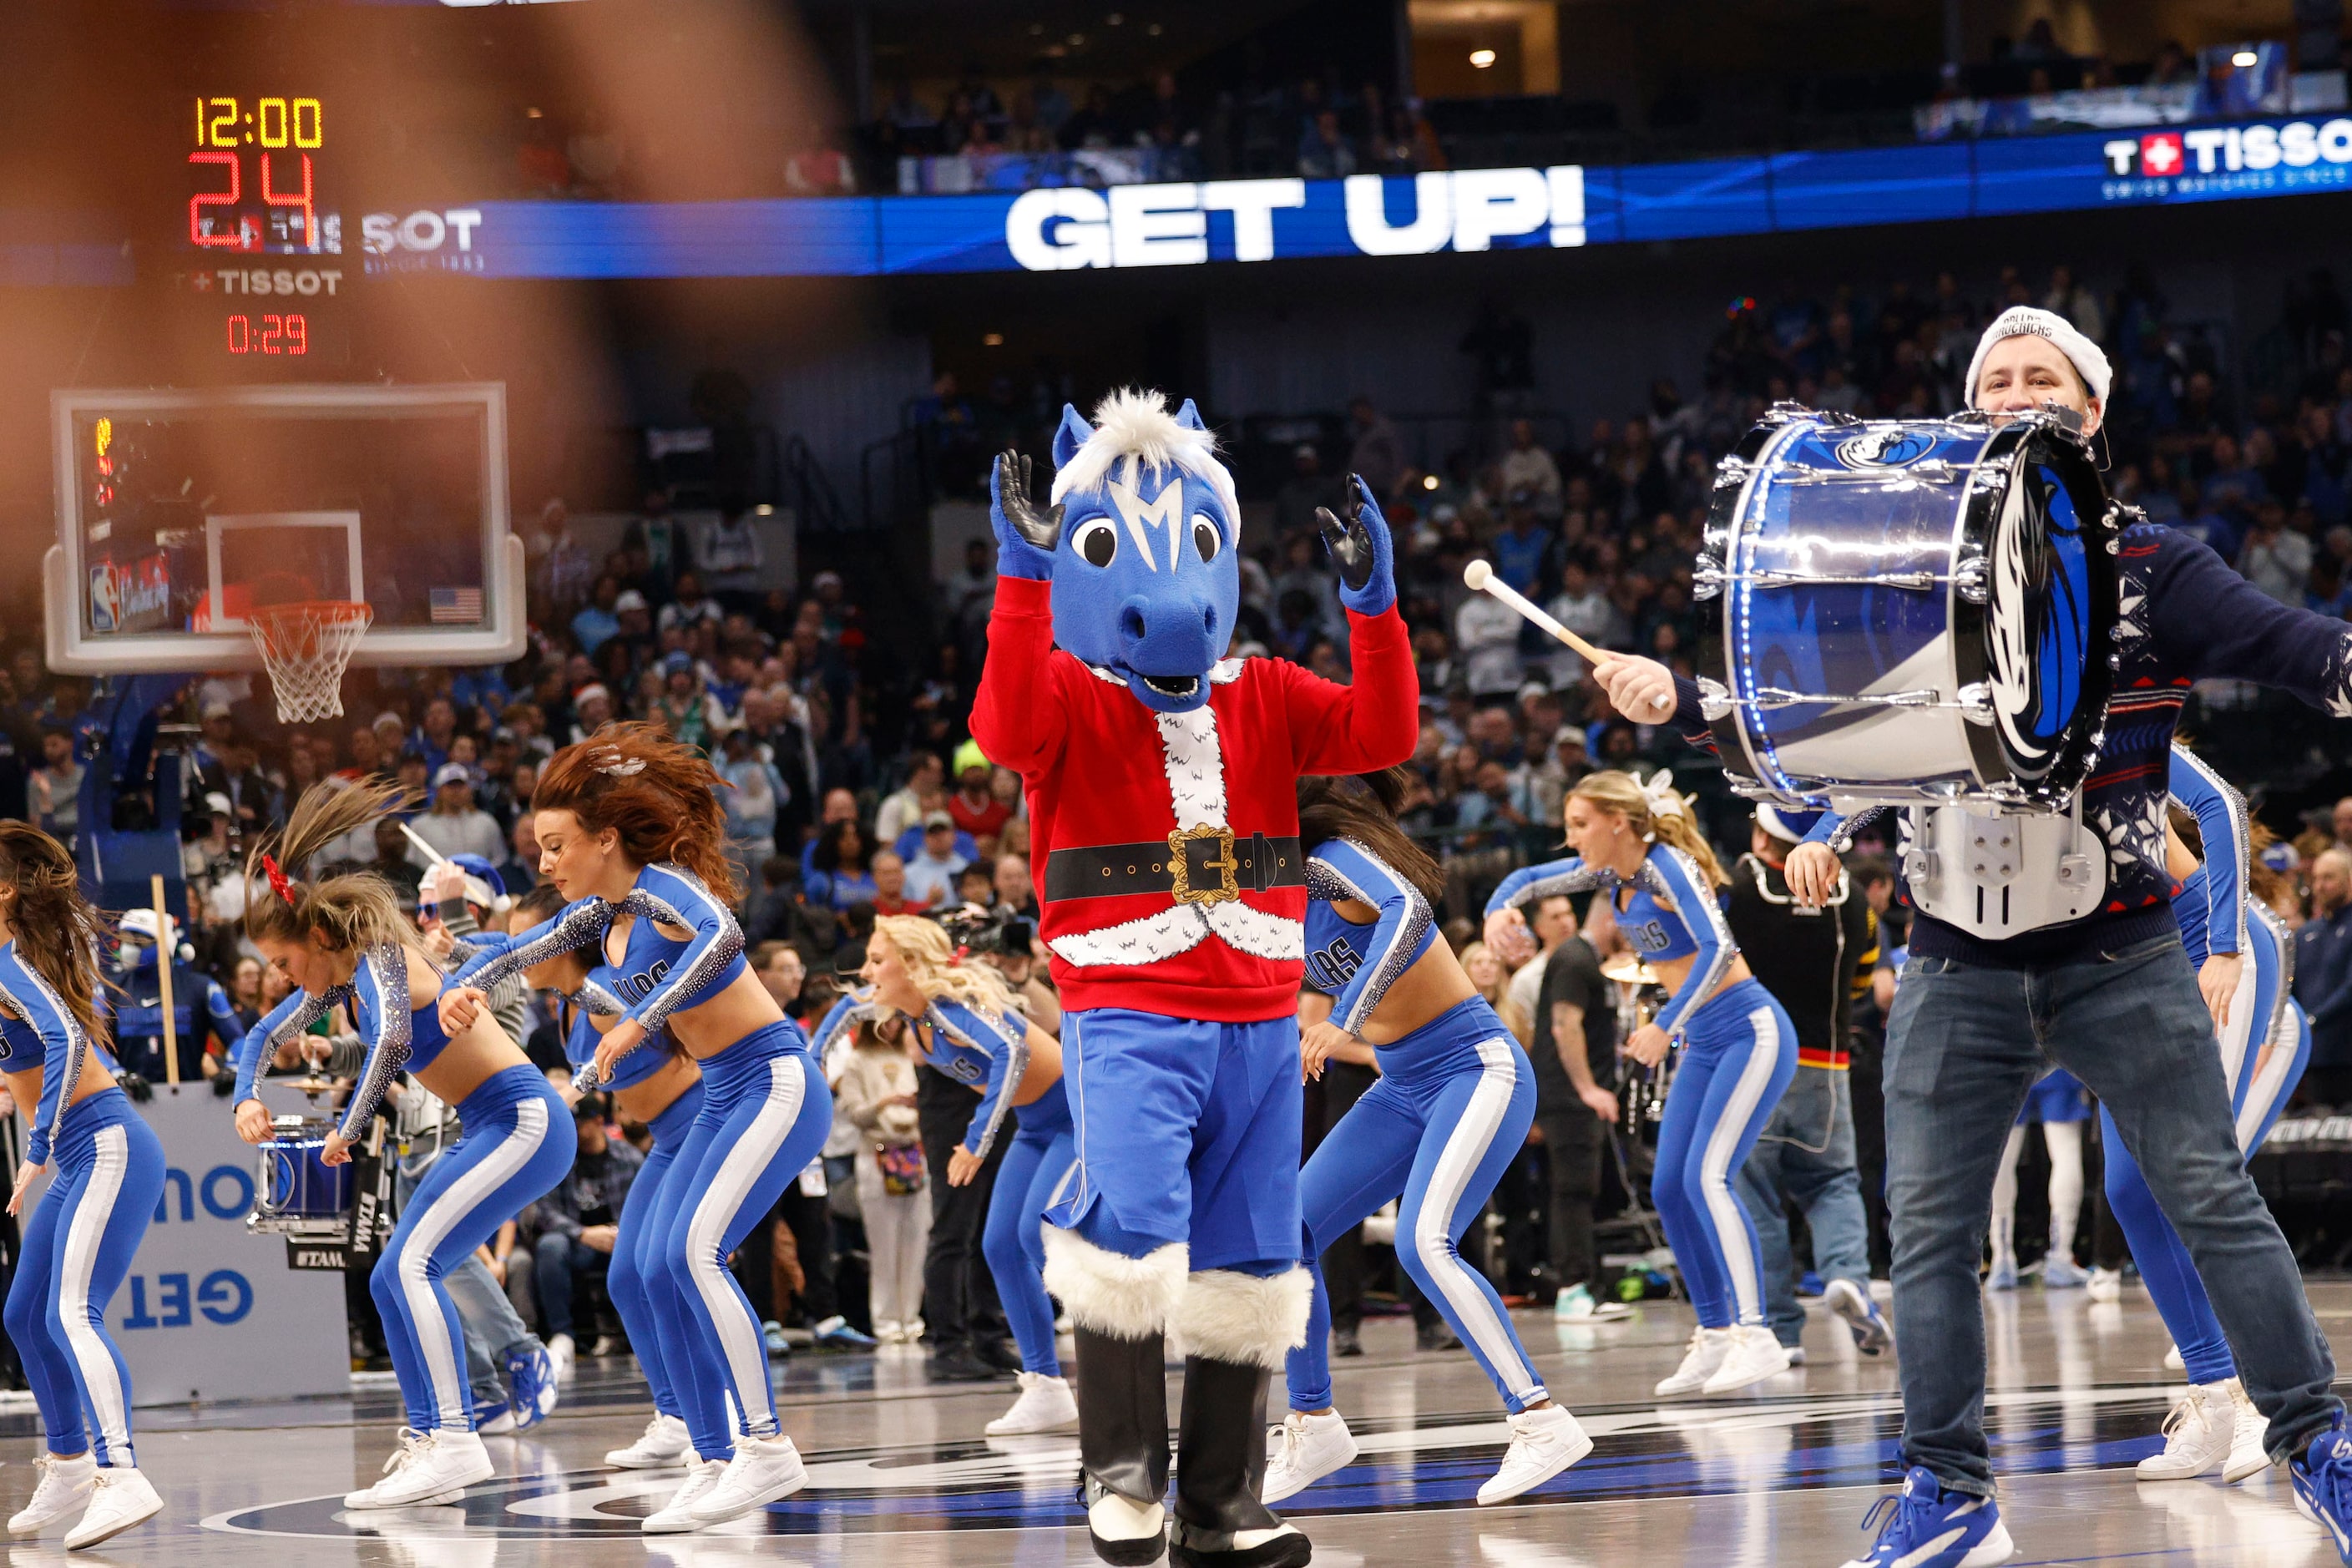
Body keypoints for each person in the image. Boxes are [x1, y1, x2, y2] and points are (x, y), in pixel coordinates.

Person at [1715, 306, 2352, 1564]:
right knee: (1935, 1234)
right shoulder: (1887, 573)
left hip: (2124, 958)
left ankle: (2319, 1444)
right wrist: (1775, 795)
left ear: (2092, 409)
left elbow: (2300, 650)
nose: (2015, 391)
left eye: (2042, 375)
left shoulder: (2156, 566)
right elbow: (1822, 756)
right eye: (1994, 378)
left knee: (2213, 1200)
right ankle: (1949, 1494)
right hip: (1952, 963)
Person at [971, 392, 1416, 1568]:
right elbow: (1004, 727)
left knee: (1255, 1248)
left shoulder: (1263, 690)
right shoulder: (1070, 689)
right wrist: (1020, 579)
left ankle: (1222, 1506)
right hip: (1126, 1004)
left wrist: (1373, 606)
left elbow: (1382, 731)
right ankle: (1120, 1472)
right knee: (1131, 1222)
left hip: (1266, 1015)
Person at [440, 723, 831, 1531]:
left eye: (555, 846)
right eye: (538, 849)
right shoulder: (594, 920)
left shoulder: (661, 884)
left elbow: (723, 932)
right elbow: (516, 951)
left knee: (693, 1251)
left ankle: (765, 1448)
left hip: (775, 1079)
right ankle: (712, 1453)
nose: (544, 864)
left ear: (604, 839)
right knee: (650, 1265)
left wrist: (632, 1022)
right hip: (725, 1094)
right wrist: (461, 983)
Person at [231, 780, 573, 1511]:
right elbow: (262, 1036)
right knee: (393, 1275)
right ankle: (430, 1434)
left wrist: (347, 1133)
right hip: (487, 1127)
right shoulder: (339, 980)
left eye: (288, 966)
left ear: (318, 939)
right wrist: (245, 1094)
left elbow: (390, 1041)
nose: (289, 981)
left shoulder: (383, 958)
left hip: (523, 1120)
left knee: (412, 1266)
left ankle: (453, 1437)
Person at [1265, 770, 1592, 1509]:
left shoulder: (1326, 858)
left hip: (1474, 1064)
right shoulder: (1272, 900)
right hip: (1402, 1084)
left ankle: (1541, 1418)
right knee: (1288, 1232)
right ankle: (1312, 1421)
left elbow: (1407, 909)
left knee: (1423, 1242)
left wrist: (1343, 1015)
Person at [1484, 769, 1798, 1398]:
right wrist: (1496, 912)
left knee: (1707, 1179)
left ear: (1618, 822)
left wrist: (1664, 1025)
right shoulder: (1610, 878)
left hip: (1748, 1029)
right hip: (1706, 1039)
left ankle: (1757, 1335)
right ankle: (1712, 1335)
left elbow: (1715, 950)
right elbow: (1524, 880)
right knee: (1670, 1186)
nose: (1570, 839)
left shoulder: (1667, 867)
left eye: (1579, 825)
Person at [2111, 746, 2314, 1483]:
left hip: (2201, 939)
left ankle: (2270, 1400)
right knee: (2128, 1188)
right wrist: (1822, 835)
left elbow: (2218, 808)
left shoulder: (2105, 716)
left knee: (2197, 1179)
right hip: (2116, 967)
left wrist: (2225, 944)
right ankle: (2214, 1394)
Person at [837, 913, 1080, 1435]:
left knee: (1033, 1239)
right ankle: (1046, 1385)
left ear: (912, 965)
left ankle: (1114, 1358)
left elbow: (1012, 1053)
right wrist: (808, 1059)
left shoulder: (952, 1009)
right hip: (1037, 1126)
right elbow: (845, 1006)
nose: (867, 970)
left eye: (878, 960)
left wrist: (975, 1142)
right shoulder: (919, 1023)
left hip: (1075, 1118)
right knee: (999, 1247)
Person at [0, 823, 168, 1549]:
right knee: (24, 1316)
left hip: (105, 1142)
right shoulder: (12, 959)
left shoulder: (8, 961)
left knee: (73, 1313)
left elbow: (68, 1039)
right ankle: (69, 1462)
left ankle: (121, 1472)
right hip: (82, 1154)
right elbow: (33, 1053)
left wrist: (36, 1144)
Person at [1724, 805, 1893, 1363]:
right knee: (1833, 1182)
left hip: (1754, 1065)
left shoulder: (1734, 888)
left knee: (1755, 1194)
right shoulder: (1852, 902)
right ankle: (1848, 1277)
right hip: (1826, 1062)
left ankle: (1780, 1331)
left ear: (1759, 830)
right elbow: (1861, 985)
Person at [1528, 891, 1626, 1322]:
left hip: (1579, 1096)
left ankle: (1585, 1283)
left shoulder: (1593, 962)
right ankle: (1573, 1287)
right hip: (1567, 1097)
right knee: (1571, 1191)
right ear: (1612, 919)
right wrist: (1588, 1089)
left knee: (1585, 1191)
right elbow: (1564, 1026)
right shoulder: (1574, 959)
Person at [830, 1008, 931, 1343]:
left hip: (914, 1151)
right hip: (876, 1152)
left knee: (916, 1239)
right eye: (885, 1020)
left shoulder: (911, 1055)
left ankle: (911, 1317)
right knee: (884, 1243)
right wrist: (887, 1102)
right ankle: (886, 1320)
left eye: (896, 1020)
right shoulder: (856, 1062)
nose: (891, 1026)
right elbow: (854, 1113)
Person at [106, 908, 243, 1086]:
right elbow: (91, 1046)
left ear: (163, 944)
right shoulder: (110, 991)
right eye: (124, 940)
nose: (128, 948)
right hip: (129, 1100)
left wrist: (233, 1068)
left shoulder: (202, 988)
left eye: (138, 941)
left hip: (187, 1099)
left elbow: (238, 1039)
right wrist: (117, 1074)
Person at [1985, 1067, 2090, 1289]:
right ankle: (2061, 1256)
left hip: (2007, 1055)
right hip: (2055, 1055)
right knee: (2065, 1150)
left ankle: (2001, 1258)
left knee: (2001, 1156)